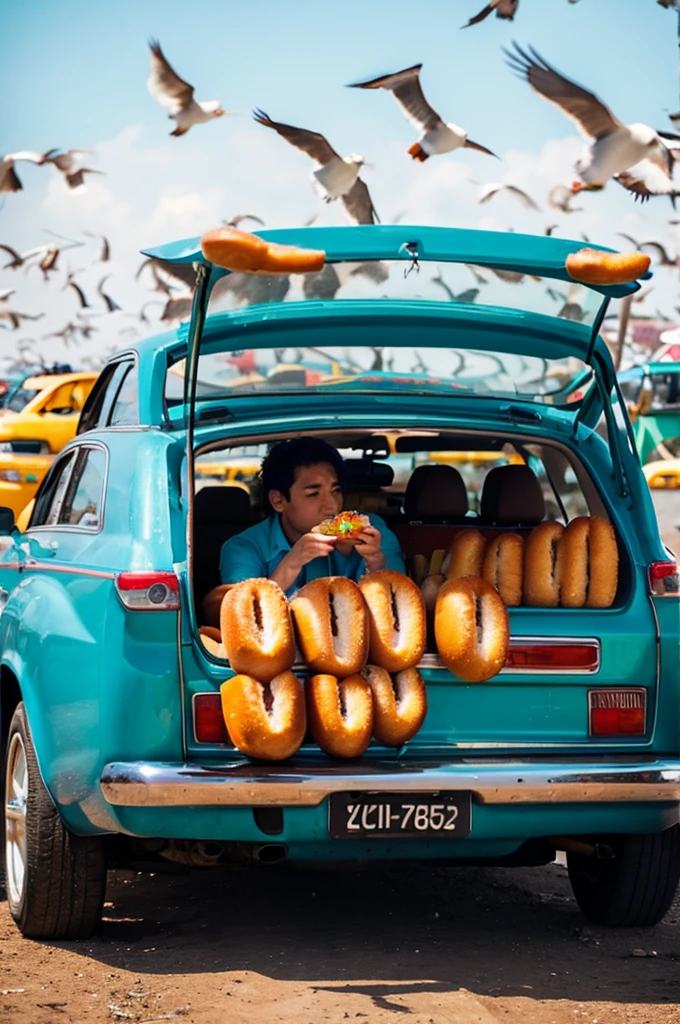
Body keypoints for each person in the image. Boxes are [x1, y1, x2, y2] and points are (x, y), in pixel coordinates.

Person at [220, 437, 404, 597]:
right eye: (313, 494)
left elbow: (398, 608)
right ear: (278, 501)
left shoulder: (373, 531)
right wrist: (293, 562)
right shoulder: (243, 548)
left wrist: (375, 561)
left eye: (336, 490)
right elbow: (243, 616)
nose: (332, 505)